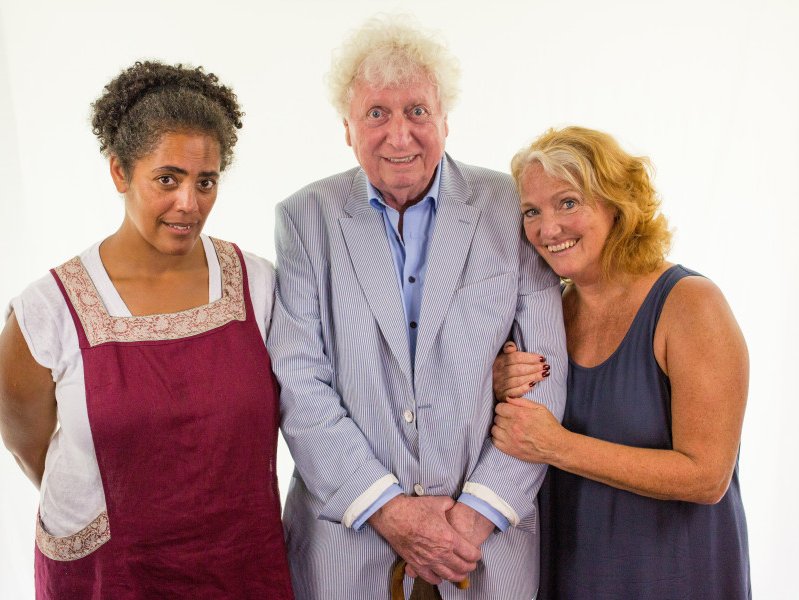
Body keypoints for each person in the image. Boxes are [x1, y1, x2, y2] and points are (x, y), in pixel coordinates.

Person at [267, 14, 567, 600]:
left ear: (446, 121)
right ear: (347, 128)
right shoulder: (303, 218)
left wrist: (471, 519)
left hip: (484, 541)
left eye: (417, 112)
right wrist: (394, 514)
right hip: (348, 536)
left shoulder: (511, 207)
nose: (399, 135)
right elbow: (300, 382)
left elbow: (546, 372)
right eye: (377, 113)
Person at [0, 61, 294, 599]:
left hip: (240, 567)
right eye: (167, 179)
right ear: (119, 173)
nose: (189, 203)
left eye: (206, 181)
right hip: (111, 576)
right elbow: (25, 445)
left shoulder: (258, 285)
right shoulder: (48, 310)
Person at [492, 126, 751, 598]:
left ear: (617, 204)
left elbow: (707, 475)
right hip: (569, 577)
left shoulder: (691, 303)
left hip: (675, 580)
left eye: (568, 202)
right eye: (532, 211)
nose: (548, 229)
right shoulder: (546, 311)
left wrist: (558, 445)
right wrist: (493, 385)